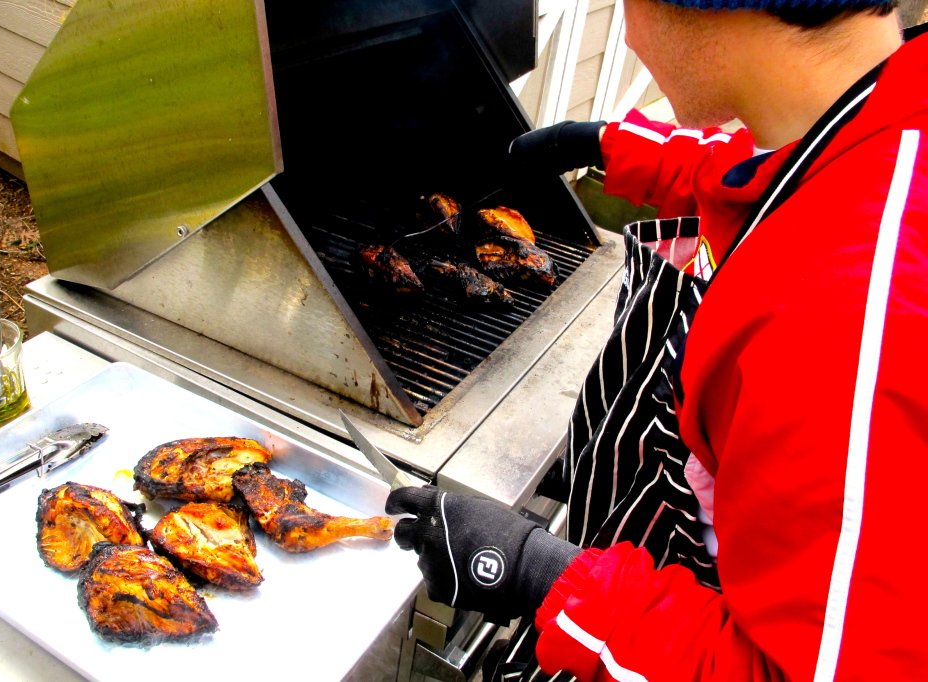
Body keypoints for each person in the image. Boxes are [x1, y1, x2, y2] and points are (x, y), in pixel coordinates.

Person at [386, 0, 928, 678]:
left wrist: (545, 576)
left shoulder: (854, 314)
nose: (627, 28)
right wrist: (612, 146)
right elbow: (774, 161)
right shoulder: (884, 112)